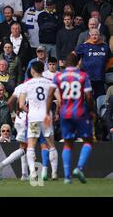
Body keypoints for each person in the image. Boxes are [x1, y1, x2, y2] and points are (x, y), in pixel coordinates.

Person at [47, 53, 94, 184]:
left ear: (65, 63)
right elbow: (89, 97)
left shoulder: (58, 76)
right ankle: (79, 168)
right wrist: (91, 111)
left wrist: (46, 112)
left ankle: (67, 177)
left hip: (65, 113)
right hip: (79, 113)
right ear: (78, 62)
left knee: (67, 143)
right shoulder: (83, 76)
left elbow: (50, 95)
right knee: (88, 140)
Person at [19, 61, 58, 182]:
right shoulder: (50, 82)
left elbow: (21, 105)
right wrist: (56, 113)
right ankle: (54, 173)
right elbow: (60, 100)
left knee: (31, 145)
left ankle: (32, 173)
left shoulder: (27, 84)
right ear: (43, 70)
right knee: (50, 145)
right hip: (46, 117)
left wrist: (29, 111)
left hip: (34, 118)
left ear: (32, 71)